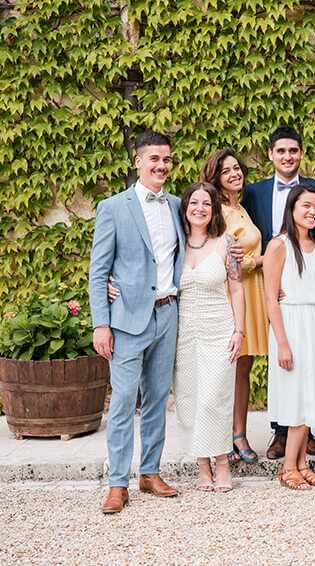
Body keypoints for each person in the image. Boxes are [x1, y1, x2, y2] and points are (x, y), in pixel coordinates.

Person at [89, 131, 184, 513]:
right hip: (126, 320)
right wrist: (101, 323)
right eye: (154, 159)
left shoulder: (178, 204)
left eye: (167, 160)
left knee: (158, 399)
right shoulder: (112, 207)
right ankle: (117, 483)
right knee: (124, 401)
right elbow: (99, 272)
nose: (161, 166)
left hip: (168, 313)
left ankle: (150, 472)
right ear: (138, 162)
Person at [242, 126, 315, 459]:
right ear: (271, 155)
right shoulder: (255, 192)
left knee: (308, 366)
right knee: (286, 365)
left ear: (301, 154)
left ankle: (306, 437)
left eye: (294, 150)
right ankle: (280, 435)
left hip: (303, 283)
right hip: (270, 283)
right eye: (281, 151)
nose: (288, 156)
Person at [171, 182, 246, 492]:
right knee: (189, 399)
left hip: (219, 329)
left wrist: (239, 331)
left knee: (215, 398)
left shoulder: (226, 244)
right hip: (183, 332)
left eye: (206, 203)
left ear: (214, 209)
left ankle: (223, 462)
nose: (200, 208)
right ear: (185, 208)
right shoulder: (174, 245)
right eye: (194, 203)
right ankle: (203, 466)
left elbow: (237, 288)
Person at [263, 184, 315, 490]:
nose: (312, 212)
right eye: (305, 206)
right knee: (295, 396)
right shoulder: (279, 245)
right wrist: (282, 343)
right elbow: (270, 298)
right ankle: (287, 467)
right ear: (292, 209)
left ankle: (302, 463)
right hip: (291, 323)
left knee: (310, 395)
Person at [200, 149, 267, 464]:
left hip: (251, 291)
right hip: (230, 293)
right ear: (215, 177)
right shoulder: (217, 210)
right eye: (226, 171)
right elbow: (222, 255)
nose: (234, 174)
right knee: (226, 368)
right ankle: (222, 437)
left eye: (237, 168)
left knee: (244, 367)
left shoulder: (239, 206)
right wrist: (261, 260)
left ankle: (239, 433)